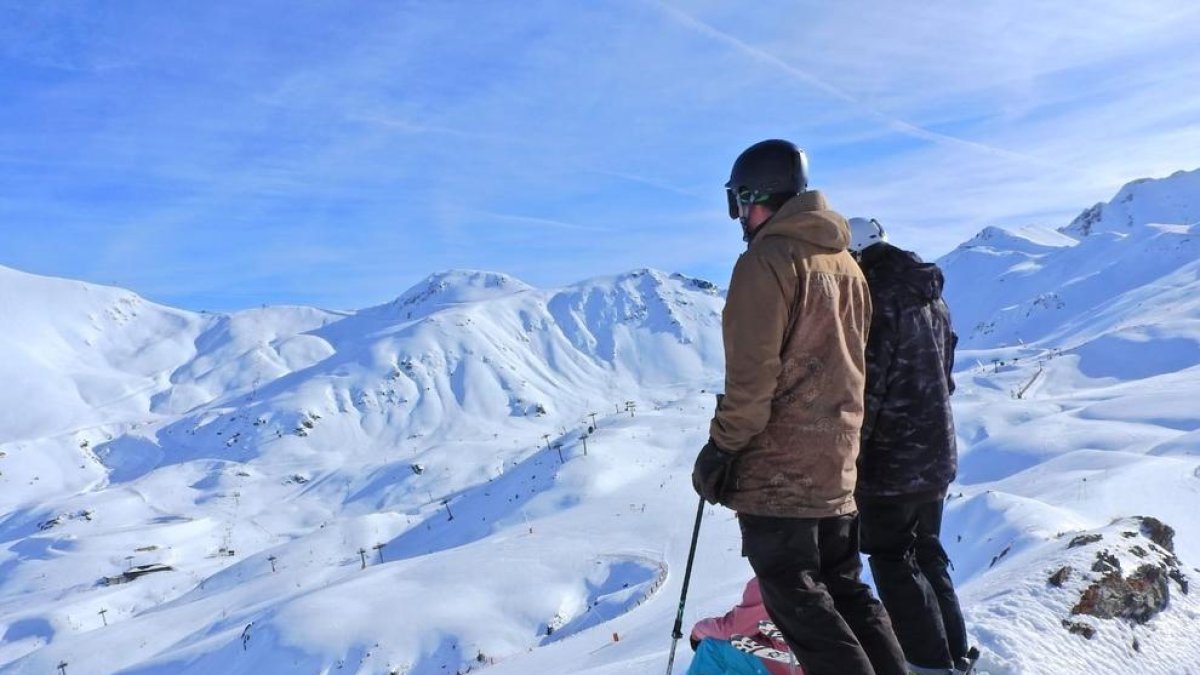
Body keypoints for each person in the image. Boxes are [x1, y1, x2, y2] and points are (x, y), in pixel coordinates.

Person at [692, 139, 907, 675]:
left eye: (739, 203)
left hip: (780, 473)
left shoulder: (766, 262)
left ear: (754, 197)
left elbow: (752, 379)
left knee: (800, 604)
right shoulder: (847, 265)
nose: (739, 218)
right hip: (837, 464)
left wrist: (721, 450)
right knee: (846, 592)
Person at [847, 217, 972, 675]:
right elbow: (946, 372)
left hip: (892, 461)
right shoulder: (929, 294)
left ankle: (929, 665)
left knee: (892, 560)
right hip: (935, 453)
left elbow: (869, 388)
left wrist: (850, 455)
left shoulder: (877, 298)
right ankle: (956, 653)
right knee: (926, 551)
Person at [688, 577, 800, 675]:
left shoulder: (771, 580)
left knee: (712, 644)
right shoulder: (807, 570)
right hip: (806, 661)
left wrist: (697, 633)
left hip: (788, 666)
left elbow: (732, 629)